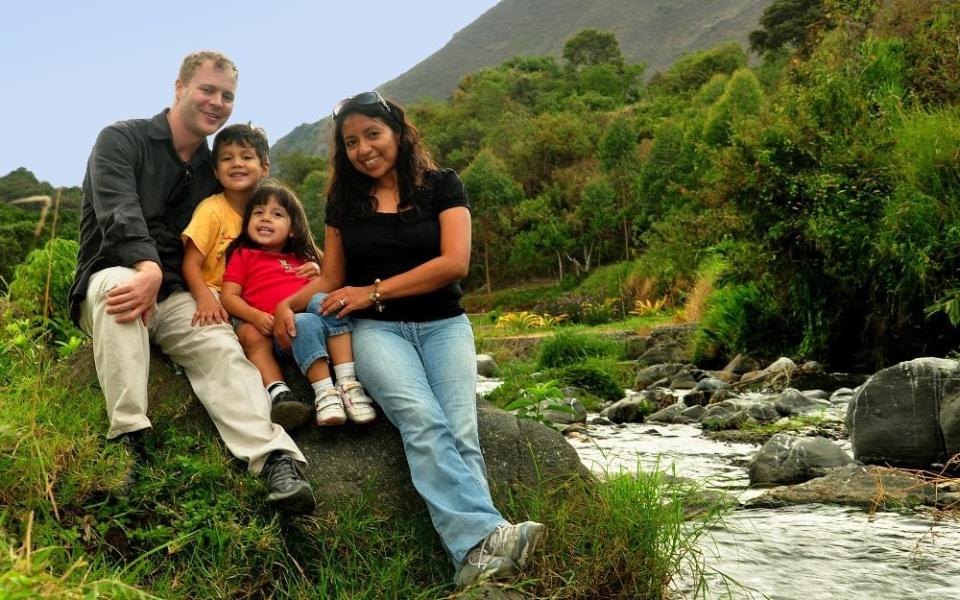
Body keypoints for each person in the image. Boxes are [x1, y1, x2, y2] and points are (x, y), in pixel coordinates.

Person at [273, 91, 545, 587]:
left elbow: (453, 264)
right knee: (421, 420)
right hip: (377, 332)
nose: (363, 148)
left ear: (397, 132)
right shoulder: (343, 202)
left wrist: (372, 290)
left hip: (444, 325)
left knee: (462, 432)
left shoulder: (443, 185)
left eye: (372, 134)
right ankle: (487, 543)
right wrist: (284, 305)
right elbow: (331, 279)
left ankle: (474, 563)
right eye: (351, 141)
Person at [67, 50, 315, 515]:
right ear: (179, 88)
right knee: (122, 289)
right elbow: (118, 210)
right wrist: (147, 265)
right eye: (207, 89)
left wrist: (300, 261)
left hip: (178, 293)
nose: (217, 102)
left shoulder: (210, 169)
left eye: (227, 96)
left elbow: (249, 220)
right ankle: (128, 439)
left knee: (219, 344)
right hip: (111, 275)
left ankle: (276, 459)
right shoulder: (122, 139)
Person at [181, 123, 320, 430]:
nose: (237, 164)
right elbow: (191, 262)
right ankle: (280, 394)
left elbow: (305, 252)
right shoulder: (213, 210)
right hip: (227, 296)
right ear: (216, 171)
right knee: (252, 335)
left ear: (264, 167)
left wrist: (316, 271)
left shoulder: (272, 208)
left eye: (246, 156)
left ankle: (332, 385)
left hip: (274, 297)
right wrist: (204, 296)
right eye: (227, 158)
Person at [220, 183, 376, 427]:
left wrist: (316, 270)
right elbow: (228, 296)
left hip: (320, 327)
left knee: (323, 300)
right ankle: (324, 392)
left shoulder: (300, 258)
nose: (266, 219)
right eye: (258, 213)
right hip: (285, 331)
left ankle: (347, 382)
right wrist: (256, 316)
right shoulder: (244, 255)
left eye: (277, 214)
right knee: (302, 320)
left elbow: (332, 279)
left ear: (293, 230)